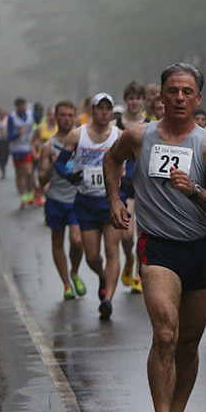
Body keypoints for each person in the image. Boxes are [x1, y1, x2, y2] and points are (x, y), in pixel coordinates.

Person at [104, 62, 206, 412]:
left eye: (187, 92)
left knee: (189, 345)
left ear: (198, 99)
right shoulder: (137, 136)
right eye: (172, 91)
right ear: (160, 96)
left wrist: (193, 190)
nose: (179, 98)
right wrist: (113, 199)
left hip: (201, 248)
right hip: (158, 247)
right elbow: (111, 161)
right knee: (165, 334)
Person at [54, 92, 122, 320]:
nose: (104, 112)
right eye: (100, 108)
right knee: (92, 256)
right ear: (92, 110)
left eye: (107, 108)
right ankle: (102, 276)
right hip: (85, 202)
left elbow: (131, 160)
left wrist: (128, 177)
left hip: (111, 201)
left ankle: (108, 300)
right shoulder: (77, 135)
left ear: (111, 112)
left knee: (112, 251)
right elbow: (60, 163)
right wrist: (68, 176)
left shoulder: (118, 135)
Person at [37, 100, 87, 300]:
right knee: (57, 242)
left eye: (70, 115)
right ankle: (66, 283)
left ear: (75, 117)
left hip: (77, 198)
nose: (66, 119)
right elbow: (41, 179)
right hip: (55, 199)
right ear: (55, 117)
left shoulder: (83, 140)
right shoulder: (48, 146)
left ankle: (75, 272)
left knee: (77, 240)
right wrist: (50, 166)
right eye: (62, 115)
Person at [116, 81, 148, 295]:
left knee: (142, 234)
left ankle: (138, 272)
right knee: (126, 235)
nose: (135, 102)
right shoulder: (116, 124)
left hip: (144, 184)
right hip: (124, 184)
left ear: (143, 101)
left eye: (138, 98)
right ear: (126, 100)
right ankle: (128, 258)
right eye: (131, 98)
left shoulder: (151, 124)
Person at [7, 97, 36, 208]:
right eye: (19, 106)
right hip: (16, 150)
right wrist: (19, 134)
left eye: (23, 105)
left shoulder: (31, 114)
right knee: (20, 175)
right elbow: (9, 136)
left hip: (27, 148)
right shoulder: (11, 117)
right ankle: (23, 198)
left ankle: (30, 195)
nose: (22, 107)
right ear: (16, 107)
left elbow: (39, 120)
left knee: (29, 172)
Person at [31, 104, 58, 206]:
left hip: (56, 161)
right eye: (50, 114)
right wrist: (35, 154)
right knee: (46, 188)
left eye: (54, 114)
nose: (52, 116)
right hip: (43, 161)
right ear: (47, 115)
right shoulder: (40, 128)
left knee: (54, 187)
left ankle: (50, 207)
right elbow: (33, 142)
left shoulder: (61, 128)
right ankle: (48, 206)